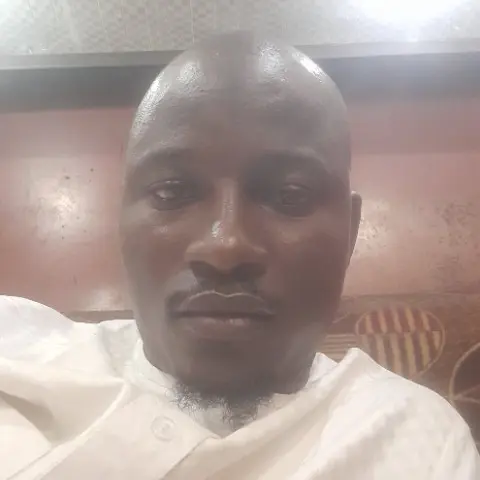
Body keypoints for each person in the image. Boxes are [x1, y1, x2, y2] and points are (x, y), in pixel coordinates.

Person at [1, 33, 478, 479]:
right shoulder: (19, 354)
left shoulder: (419, 441)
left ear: (351, 234)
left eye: (290, 195)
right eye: (171, 192)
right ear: (122, 220)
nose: (224, 246)